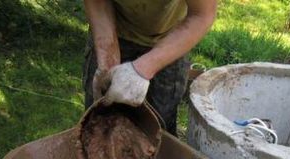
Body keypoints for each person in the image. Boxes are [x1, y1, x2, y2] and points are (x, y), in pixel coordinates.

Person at [83, 0, 217, 135]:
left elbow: (201, 15)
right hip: (115, 27)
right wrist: (107, 56)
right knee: (96, 122)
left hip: (173, 37)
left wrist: (143, 69)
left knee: (160, 125)